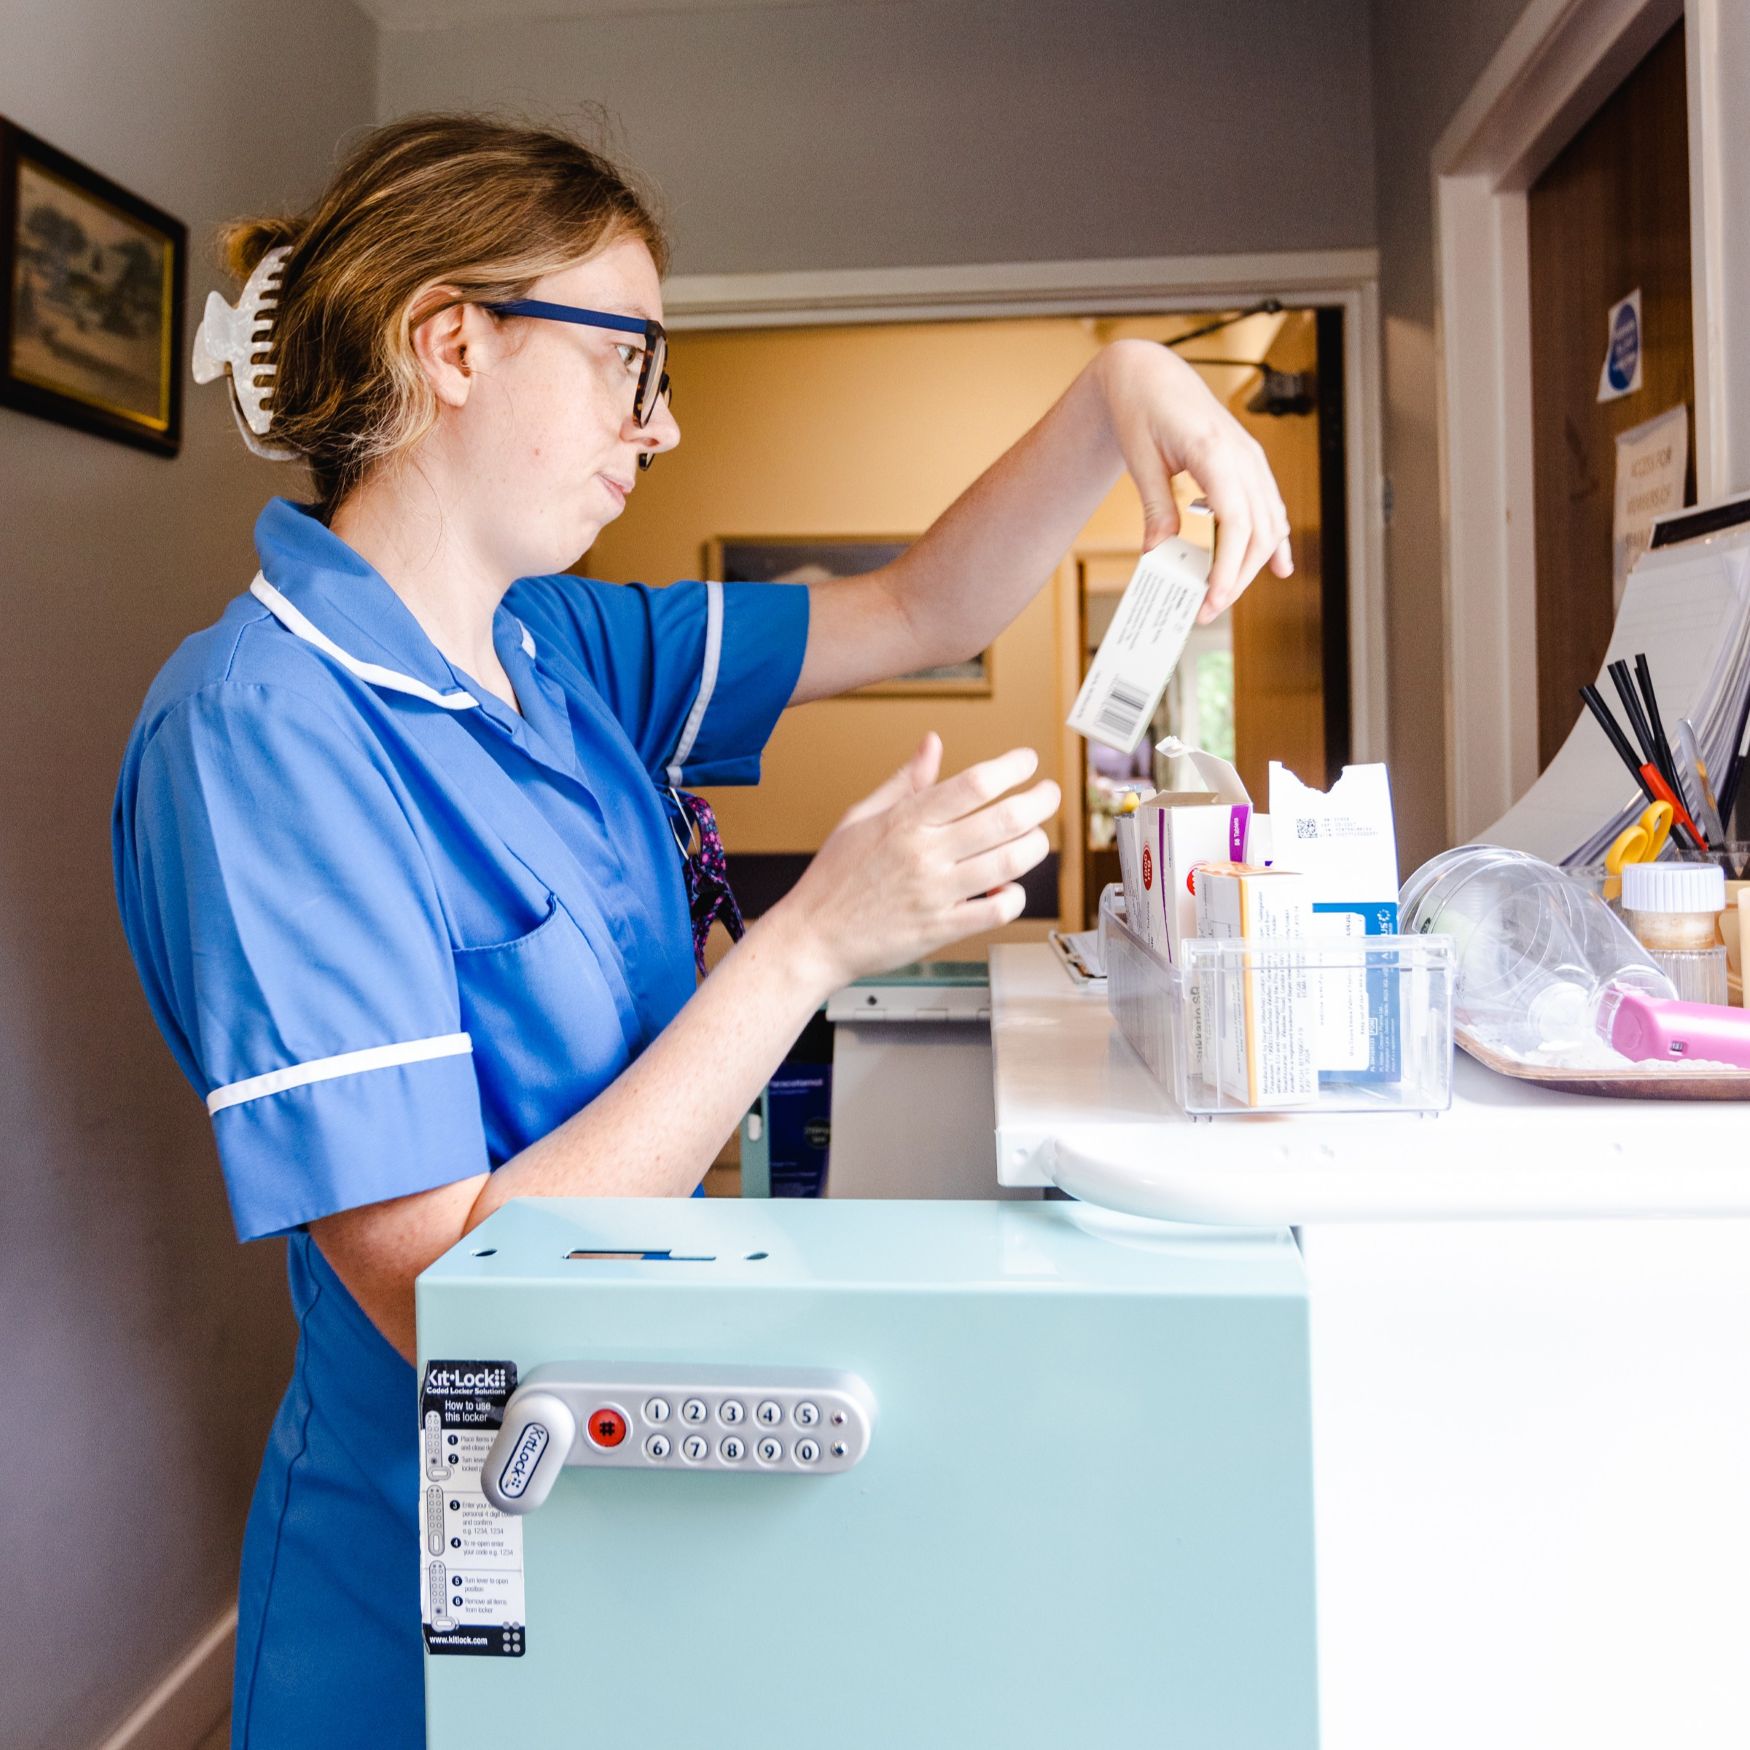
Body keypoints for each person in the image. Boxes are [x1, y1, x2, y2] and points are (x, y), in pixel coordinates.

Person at [112, 114, 1292, 1748]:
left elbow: (930, 605)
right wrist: (811, 944)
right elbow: (452, 1287)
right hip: (433, 1567)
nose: (659, 428)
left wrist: (1125, 385)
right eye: (627, 364)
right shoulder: (260, 729)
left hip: (635, 1465)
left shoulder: (559, 642)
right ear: (455, 343)